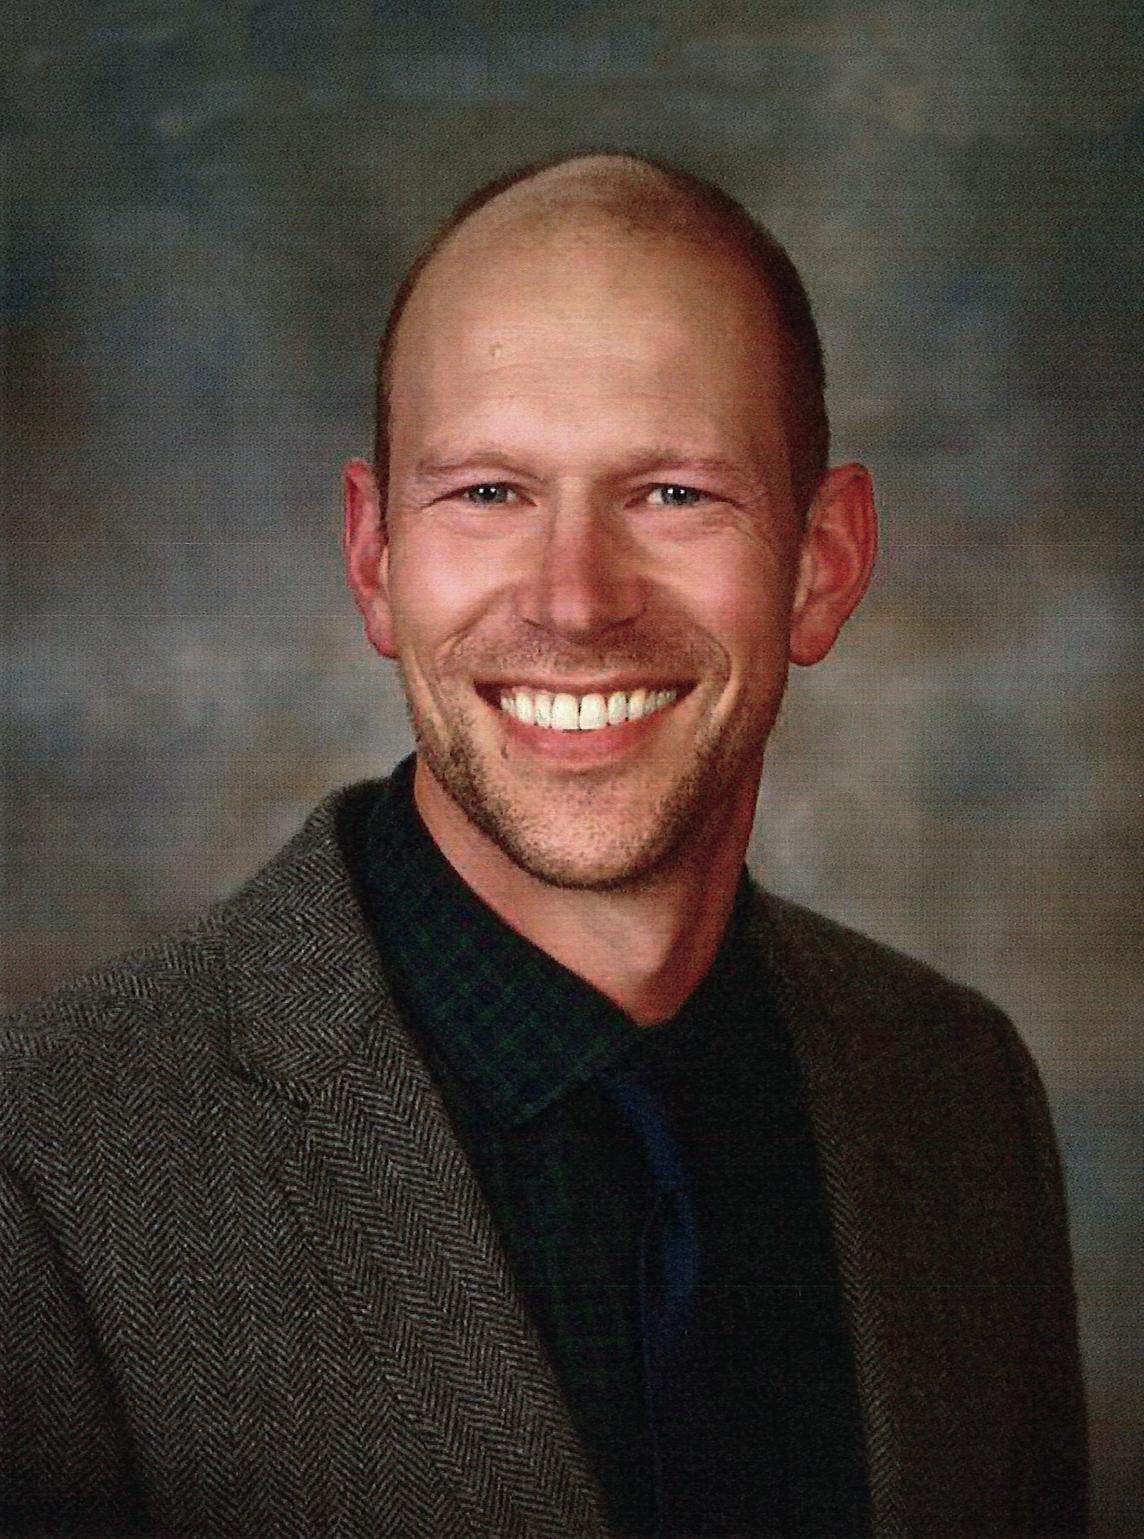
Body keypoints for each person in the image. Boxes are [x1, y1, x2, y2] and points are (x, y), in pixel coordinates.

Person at [0, 152, 1087, 1538]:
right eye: (489, 493)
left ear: (824, 564)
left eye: (673, 494)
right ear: (373, 560)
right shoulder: (48, 1170)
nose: (576, 602)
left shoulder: (957, 1090)